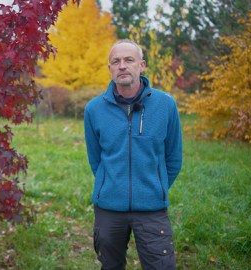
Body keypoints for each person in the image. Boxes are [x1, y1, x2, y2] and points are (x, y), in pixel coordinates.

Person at [83, 39, 183, 270]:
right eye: (115, 61)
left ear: (142, 65)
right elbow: (95, 159)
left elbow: (173, 158)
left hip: (152, 209)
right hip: (109, 209)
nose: (122, 66)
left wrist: (154, 187)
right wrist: (111, 186)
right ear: (109, 68)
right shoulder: (94, 109)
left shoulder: (165, 105)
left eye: (129, 60)